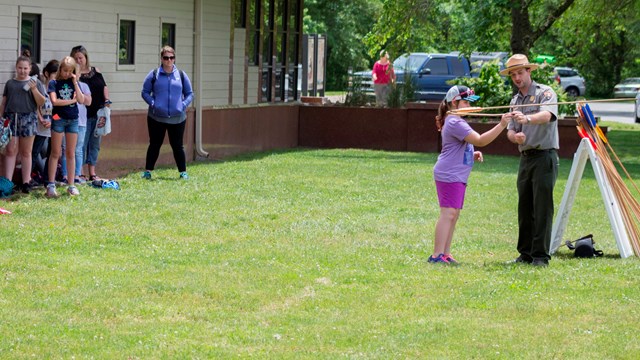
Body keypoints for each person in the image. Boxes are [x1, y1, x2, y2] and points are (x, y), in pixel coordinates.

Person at [430, 85, 509, 264]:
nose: (469, 106)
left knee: (453, 214)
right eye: (465, 102)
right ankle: (436, 255)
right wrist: (502, 124)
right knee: (448, 214)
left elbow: (456, 146)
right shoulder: (455, 121)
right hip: (449, 174)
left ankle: (445, 254)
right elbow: (480, 140)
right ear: (454, 103)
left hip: (455, 173)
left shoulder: (455, 120)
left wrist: (471, 154)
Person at [500, 54, 559, 267]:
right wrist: (515, 137)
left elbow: (547, 116)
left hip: (544, 156)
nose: (517, 78)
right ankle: (525, 254)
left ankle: (541, 256)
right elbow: (510, 131)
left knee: (542, 207)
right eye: (513, 74)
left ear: (529, 71)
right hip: (525, 158)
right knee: (524, 208)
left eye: (520, 73)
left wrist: (528, 119)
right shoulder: (515, 101)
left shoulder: (545, 92)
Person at [140, 45, 194, 180]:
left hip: (177, 118)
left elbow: (190, 94)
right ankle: (148, 171)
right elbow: (145, 92)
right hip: (156, 117)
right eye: (166, 58)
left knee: (177, 146)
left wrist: (183, 105)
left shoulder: (181, 75)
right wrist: (153, 103)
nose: (169, 60)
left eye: (171, 57)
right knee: (154, 144)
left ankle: (183, 172)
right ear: (161, 59)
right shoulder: (154, 74)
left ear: (174, 59)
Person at [0, 56, 46, 193]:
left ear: (30, 68)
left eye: (25, 68)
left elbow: (41, 102)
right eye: (20, 68)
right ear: (16, 68)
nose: (23, 71)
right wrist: (1, 119)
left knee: (26, 152)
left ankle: (26, 182)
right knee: (10, 151)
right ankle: (8, 182)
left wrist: (33, 89)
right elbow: (4, 102)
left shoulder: (35, 83)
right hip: (11, 118)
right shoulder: (10, 84)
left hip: (28, 118)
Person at [46, 56, 85, 197]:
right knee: (56, 152)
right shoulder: (54, 83)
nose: (67, 73)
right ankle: (50, 185)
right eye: (65, 70)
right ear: (60, 69)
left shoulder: (74, 83)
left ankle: (71, 185)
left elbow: (81, 100)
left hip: (73, 120)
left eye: (70, 71)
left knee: (70, 153)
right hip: (58, 119)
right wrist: (71, 100)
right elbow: (54, 101)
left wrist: (75, 83)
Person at [71, 45, 110, 181]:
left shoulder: (95, 71)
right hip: (83, 115)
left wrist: (107, 99)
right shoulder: (74, 76)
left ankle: (92, 172)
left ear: (86, 58)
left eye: (81, 58)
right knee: (81, 144)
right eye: (76, 59)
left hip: (98, 113)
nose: (79, 61)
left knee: (95, 144)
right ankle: (79, 172)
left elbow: (104, 86)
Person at [31, 60, 58, 186]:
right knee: (34, 152)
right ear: (47, 74)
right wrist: (41, 118)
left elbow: (61, 110)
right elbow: (35, 104)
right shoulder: (40, 87)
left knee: (52, 153)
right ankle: (30, 177)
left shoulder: (59, 89)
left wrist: (53, 121)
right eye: (54, 75)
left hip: (54, 127)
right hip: (39, 126)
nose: (56, 78)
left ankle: (48, 179)